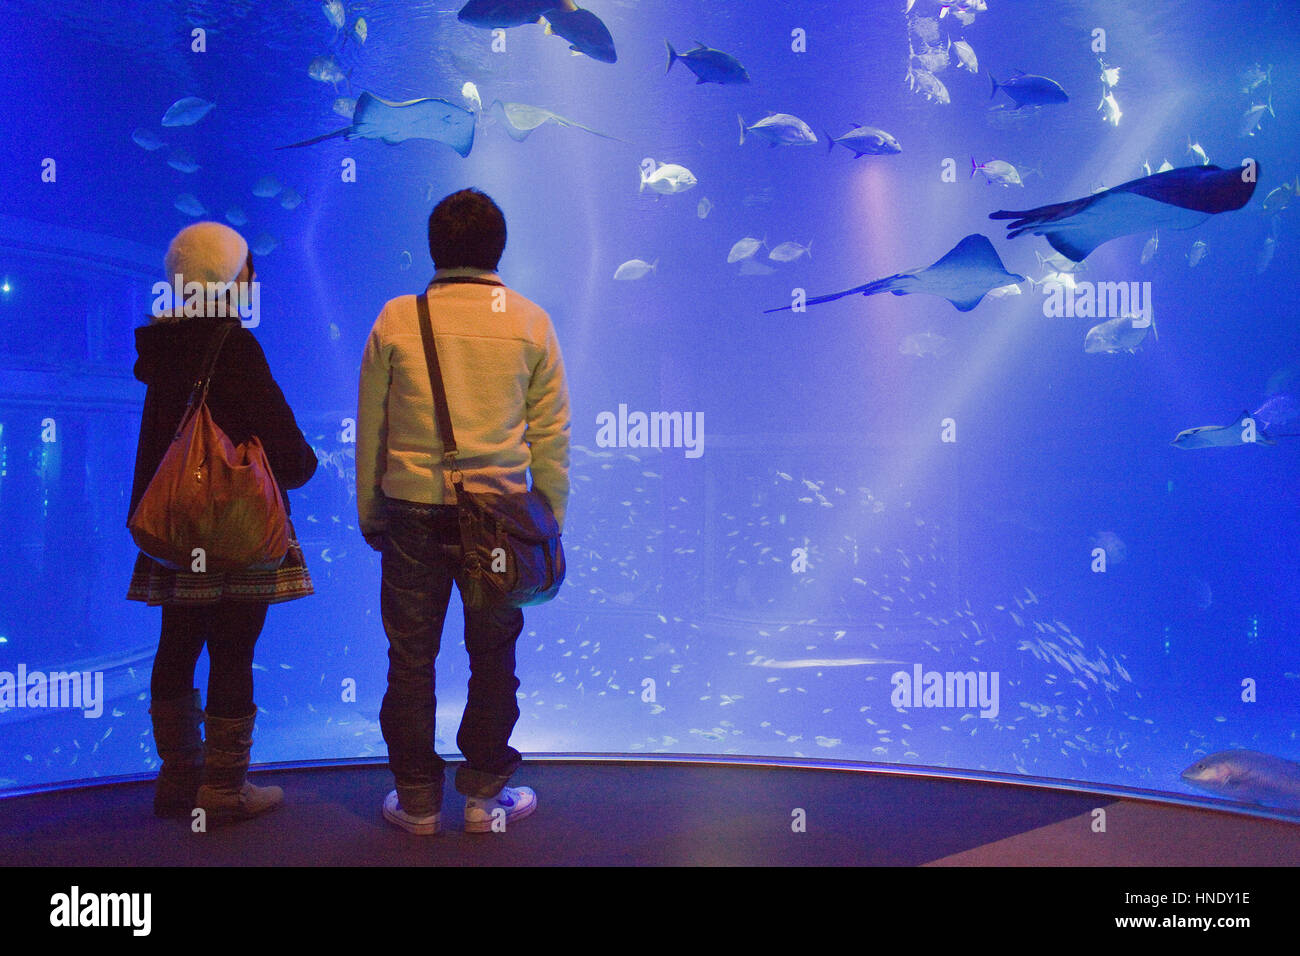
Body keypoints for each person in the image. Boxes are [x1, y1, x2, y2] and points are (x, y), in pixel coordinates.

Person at [356, 188, 571, 835]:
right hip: (502, 520)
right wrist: (548, 523)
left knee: (410, 658)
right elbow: (552, 436)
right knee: (493, 655)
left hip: (412, 512)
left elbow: (372, 427)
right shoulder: (531, 321)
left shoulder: (396, 318)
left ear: (433, 247)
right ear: (498, 247)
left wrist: (372, 511)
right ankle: (483, 798)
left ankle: (418, 802)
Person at [127, 221, 317, 825]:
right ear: (228, 278)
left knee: (176, 646)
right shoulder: (234, 347)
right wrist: (303, 467)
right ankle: (225, 791)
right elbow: (291, 456)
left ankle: (178, 780)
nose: (253, 280)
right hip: (235, 533)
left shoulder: (160, 350)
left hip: (175, 535)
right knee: (233, 651)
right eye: (247, 269)